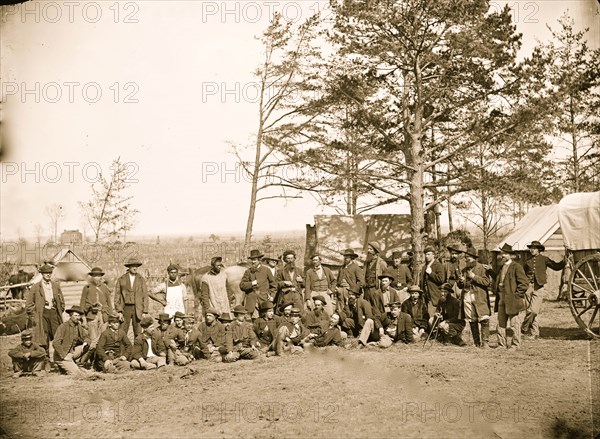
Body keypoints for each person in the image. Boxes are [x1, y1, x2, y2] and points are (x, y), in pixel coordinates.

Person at [522, 241, 566, 340]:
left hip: (539, 287)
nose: (531, 250)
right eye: (531, 248)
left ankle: (524, 327)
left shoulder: (544, 259)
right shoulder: (527, 261)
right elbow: (522, 274)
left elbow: (556, 267)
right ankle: (535, 333)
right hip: (528, 288)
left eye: (534, 248)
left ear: (539, 249)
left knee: (533, 311)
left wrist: (564, 261)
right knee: (532, 312)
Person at [25, 264, 65, 359]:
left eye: (49, 273)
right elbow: (29, 305)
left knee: (58, 336)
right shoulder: (35, 287)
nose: (48, 274)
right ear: (42, 274)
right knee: (43, 338)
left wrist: (59, 309)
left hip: (54, 313)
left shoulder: (56, 285)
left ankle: (59, 359)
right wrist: (35, 315)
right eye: (46, 273)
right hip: (42, 314)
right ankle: (45, 360)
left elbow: (62, 301)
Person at [494, 244, 529, 350]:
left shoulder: (516, 267)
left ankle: (515, 344)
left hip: (512, 300)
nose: (502, 255)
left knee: (514, 324)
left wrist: (516, 295)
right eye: (502, 253)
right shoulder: (501, 267)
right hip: (501, 298)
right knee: (500, 323)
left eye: (504, 253)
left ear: (510, 255)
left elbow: (524, 283)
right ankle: (501, 345)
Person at [457, 247, 492, 348]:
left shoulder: (482, 268)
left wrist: (473, 277)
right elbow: (461, 286)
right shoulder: (464, 270)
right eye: (466, 257)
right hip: (467, 297)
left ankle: (485, 343)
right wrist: (461, 282)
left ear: (474, 258)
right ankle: (477, 343)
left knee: (484, 319)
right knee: (472, 320)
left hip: (480, 297)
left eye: (469, 257)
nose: (467, 259)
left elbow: (487, 282)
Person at [79, 267, 113, 357]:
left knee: (102, 338)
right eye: (95, 276)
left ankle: (99, 360)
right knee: (93, 339)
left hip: (104, 315)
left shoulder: (104, 288)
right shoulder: (87, 288)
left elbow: (109, 303)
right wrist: (83, 318)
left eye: (98, 276)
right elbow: (82, 303)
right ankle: (89, 359)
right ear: (92, 277)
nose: (97, 278)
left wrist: (111, 316)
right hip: (91, 315)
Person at [114, 257, 150, 339]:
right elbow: (117, 296)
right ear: (129, 267)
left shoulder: (141, 279)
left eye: (136, 266)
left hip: (138, 308)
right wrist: (119, 311)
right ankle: (122, 350)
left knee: (138, 331)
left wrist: (145, 311)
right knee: (122, 330)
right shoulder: (121, 279)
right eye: (133, 266)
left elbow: (145, 295)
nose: (135, 268)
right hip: (125, 308)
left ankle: (136, 350)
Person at [53, 305, 90, 375]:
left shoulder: (78, 326)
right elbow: (56, 343)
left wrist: (85, 342)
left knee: (88, 346)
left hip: (71, 352)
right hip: (62, 356)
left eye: (79, 316)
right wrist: (64, 356)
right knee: (78, 374)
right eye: (75, 315)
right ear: (70, 316)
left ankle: (73, 363)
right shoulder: (63, 327)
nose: (77, 318)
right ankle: (65, 364)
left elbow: (86, 337)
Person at [240, 249, 277, 317]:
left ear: (259, 260)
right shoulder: (248, 272)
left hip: (264, 300)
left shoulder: (266, 270)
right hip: (251, 302)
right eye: (252, 260)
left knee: (264, 319)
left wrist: (272, 296)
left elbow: (274, 286)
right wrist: (252, 283)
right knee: (253, 320)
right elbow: (242, 285)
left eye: (255, 260)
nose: (253, 262)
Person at [421, 246, 446, 315]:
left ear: (433, 255)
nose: (426, 256)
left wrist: (431, 273)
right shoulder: (424, 267)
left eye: (428, 254)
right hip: (425, 296)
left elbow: (441, 279)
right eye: (425, 254)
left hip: (434, 296)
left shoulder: (438, 265)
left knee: (433, 316)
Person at [362, 242, 388, 309]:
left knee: (376, 307)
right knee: (367, 307)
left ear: (375, 251)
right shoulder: (366, 263)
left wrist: (383, 289)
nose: (368, 251)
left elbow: (386, 277)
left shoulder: (381, 263)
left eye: (371, 249)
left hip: (376, 289)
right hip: (366, 290)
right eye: (368, 249)